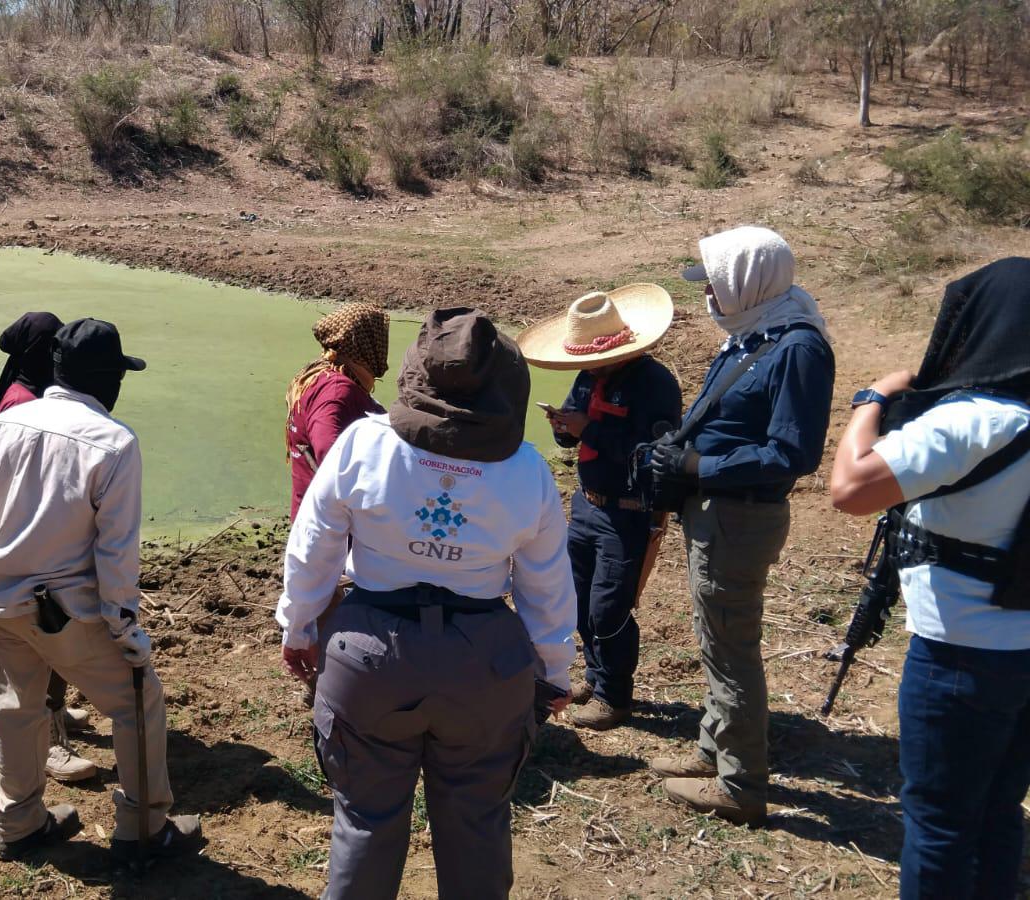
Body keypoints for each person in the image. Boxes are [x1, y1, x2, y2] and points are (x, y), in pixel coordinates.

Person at [278, 308, 576, 900]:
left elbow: (313, 545)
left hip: (370, 652)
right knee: (477, 823)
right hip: (484, 661)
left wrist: (299, 624)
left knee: (365, 819)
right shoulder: (527, 470)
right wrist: (555, 669)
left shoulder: (364, 442)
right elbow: (546, 583)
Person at [0, 317, 203, 865]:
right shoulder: (114, 444)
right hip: (64, 613)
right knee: (139, 704)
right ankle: (142, 829)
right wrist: (126, 630)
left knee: (16, 708)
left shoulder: (7, 422)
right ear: (108, 381)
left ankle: (19, 824)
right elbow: (116, 554)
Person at [827, 258, 1030, 899]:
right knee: (1000, 811)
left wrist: (872, 400)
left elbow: (851, 490)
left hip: (961, 654)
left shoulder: (976, 420)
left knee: (939, 827)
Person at [639, 225, 834, 826]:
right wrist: (679, 448)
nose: (709, 297)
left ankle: (742, 785)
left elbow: (793, 453)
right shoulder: (755, 332)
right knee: (713, 634)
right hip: (716, 510)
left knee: (730, 645)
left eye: (716, 285)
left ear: (749, 283)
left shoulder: (798, 347)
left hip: (740, 516)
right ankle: (712, 748)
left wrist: (701, 464)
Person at [517, 286, 682, 731]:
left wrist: (590, 430)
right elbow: (574, 433)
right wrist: (565, 429)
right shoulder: (589, 376)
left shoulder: (655, 385)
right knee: (578, 597)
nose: (582, 367)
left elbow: (656, 454)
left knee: (610, 607)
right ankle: (595, 675)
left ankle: (615, 695)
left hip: (629, 511)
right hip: (587, 505)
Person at [0, 311, 98, 785]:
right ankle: (51, 744)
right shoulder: (20, 405)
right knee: (44, 647)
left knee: (55, 645)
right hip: (33, 554)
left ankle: (58, 712)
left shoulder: (28, 395)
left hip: (42, 546)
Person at [285, 303, 390, 517]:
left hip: (319, 521)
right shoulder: (335, 390)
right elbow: (330, 453)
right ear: (365, 343)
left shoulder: (318, 377)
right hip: (332, 530)